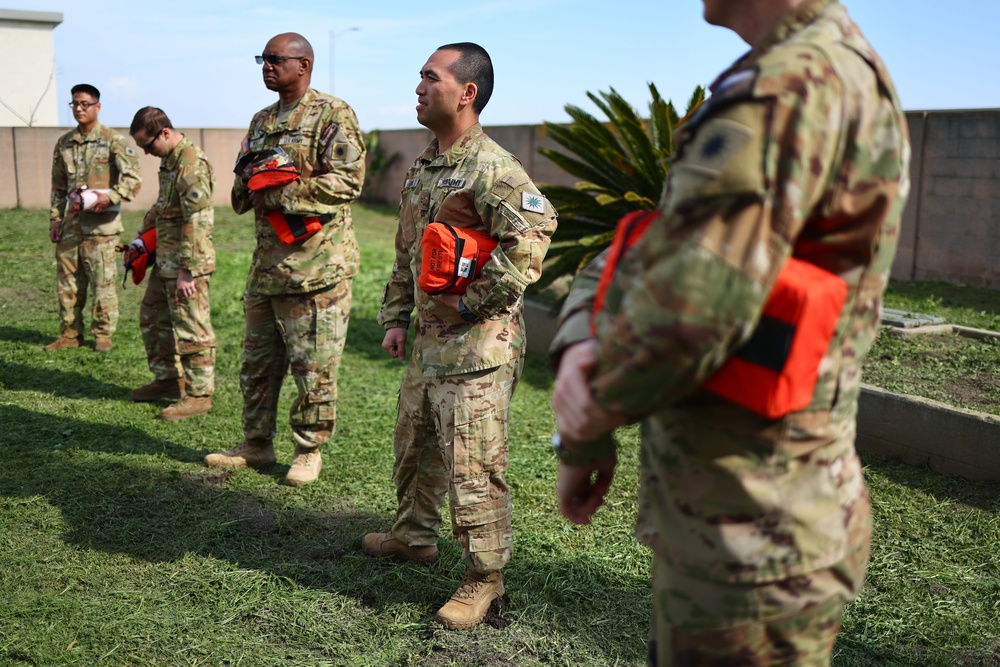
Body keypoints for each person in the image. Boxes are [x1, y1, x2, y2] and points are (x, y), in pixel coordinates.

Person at [549, 0, 910, 664]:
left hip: (751, 531)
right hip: (740, 513)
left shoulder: (788, 85)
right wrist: (584, 337)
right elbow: (661, 245)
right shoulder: (800, 72)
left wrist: (585, 424)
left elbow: (690, 310)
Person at [361, 42, 557, 630]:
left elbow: (534, 234)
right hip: (428, 342)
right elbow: (408, 253)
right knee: (416, 445)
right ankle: (413, 537)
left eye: (430, 78)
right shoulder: (426, 165)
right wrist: (398, 317)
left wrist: (470, 303)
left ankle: (484, 579)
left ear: (466, 93)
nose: (419, 88)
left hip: (478, 348)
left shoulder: (492, 167)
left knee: (473, 465)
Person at [203, 32, 366, 487]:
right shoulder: (260, 121)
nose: (267, 66)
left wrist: (278, 190)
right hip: (267, 267)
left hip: (317, 268)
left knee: (312, 367)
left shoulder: (332, 114)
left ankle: (308, 449)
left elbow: (348, 182)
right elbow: (242, 188)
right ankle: (256, 444)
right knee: (257, 362)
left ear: (304, 65)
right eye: (263, 58)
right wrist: (248, 183)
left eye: (276, 59)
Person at [127, 107, 217, 421]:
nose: (147, 153)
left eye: (148, 146)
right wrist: (141, 239)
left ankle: (198, 395)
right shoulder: (170, 160)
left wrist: (187, 270)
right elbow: (163, 205)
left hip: (185, 264)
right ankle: (167, 380)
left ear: (164, 132)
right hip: (165, 259)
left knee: (191, 327)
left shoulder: (190, 163)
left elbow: (199, 219)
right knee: (153, 318)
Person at [47, 84, 142, 352]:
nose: (78, 108)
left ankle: (103, 334)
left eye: (84, 104)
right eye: (74, 104)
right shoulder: (64, 143)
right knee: (68, 284)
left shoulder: (113, 141)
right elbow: (57, 186)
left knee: (103, 283)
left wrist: (110, 197)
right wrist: (55, 220)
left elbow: (133, 179)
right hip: (70, 227)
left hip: (102, 228)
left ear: (97, 107)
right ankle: (69, 334)